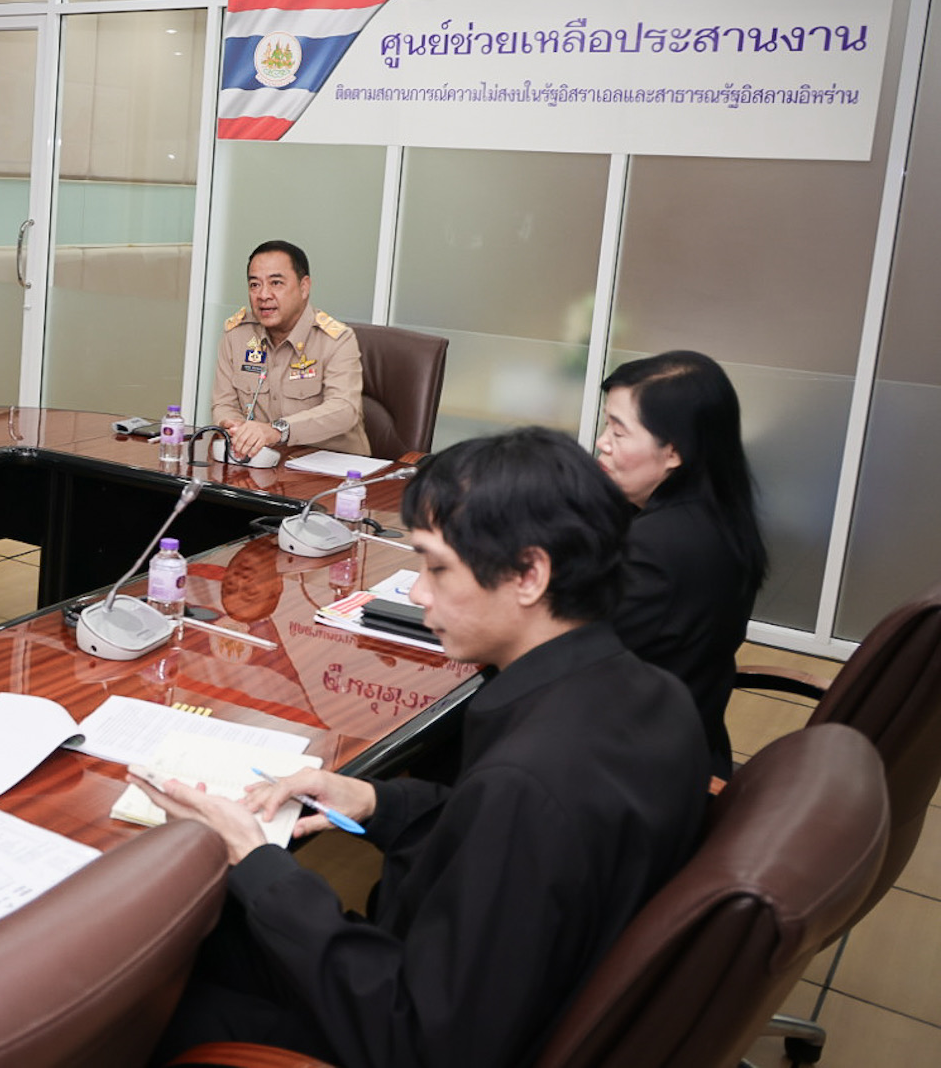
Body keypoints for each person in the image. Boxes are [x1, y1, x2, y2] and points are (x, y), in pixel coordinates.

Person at [142, 428, 708, 1068]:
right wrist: (374, 801)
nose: (416, 592)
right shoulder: (655, 696)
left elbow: (423, 1038)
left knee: (143, 1002)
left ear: (529, 574)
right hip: (463, 985)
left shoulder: (528, 783)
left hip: (399, 1025)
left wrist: (254, 859)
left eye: (436, 567)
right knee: (208, 927)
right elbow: (495, 847)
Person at [597, 350, 767, 777]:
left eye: (618, 431)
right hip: (687, 741)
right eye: (606, 425)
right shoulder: (718, 514)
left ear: (673, 452)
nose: (602, 442)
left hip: (629, 770)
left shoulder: (655, 549)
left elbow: (567, 656)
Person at [210, 240, 368, 461]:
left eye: (276, 283)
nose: (263, 295)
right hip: (262, 463)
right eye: (254, 284)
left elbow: (344, 410)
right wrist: (237, 428)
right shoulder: (237, 335)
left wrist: (277, 430)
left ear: (304, 287)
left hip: (331, 468)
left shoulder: (336, 340)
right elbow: (223, 404)